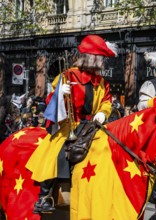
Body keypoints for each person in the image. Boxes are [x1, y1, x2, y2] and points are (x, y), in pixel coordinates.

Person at [26, 34, 117, 214]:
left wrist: (102, 112)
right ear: (92, 58)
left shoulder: (103, 83)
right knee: (56, 151)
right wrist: (60, 92)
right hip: (69, 124)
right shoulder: (68, 75)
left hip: (92, 125)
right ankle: (44, 197)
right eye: (101, 58)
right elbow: (51, 100)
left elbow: (107, 102)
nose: (103, 62)